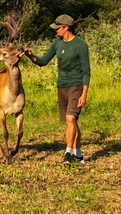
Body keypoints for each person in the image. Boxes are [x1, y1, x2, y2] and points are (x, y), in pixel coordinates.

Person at [25, 14, 90, 165]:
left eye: (58, 28)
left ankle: (68, 153)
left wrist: (84, 94)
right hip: (62, 85)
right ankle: (78, 154)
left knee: (70, 118)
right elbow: (43, 61)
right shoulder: (57, 43)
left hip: (77, 85)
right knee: (71, 122)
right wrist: (31, 56)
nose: (56, 31)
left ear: (66, 28)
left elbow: (86, 71)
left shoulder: (80, 45)